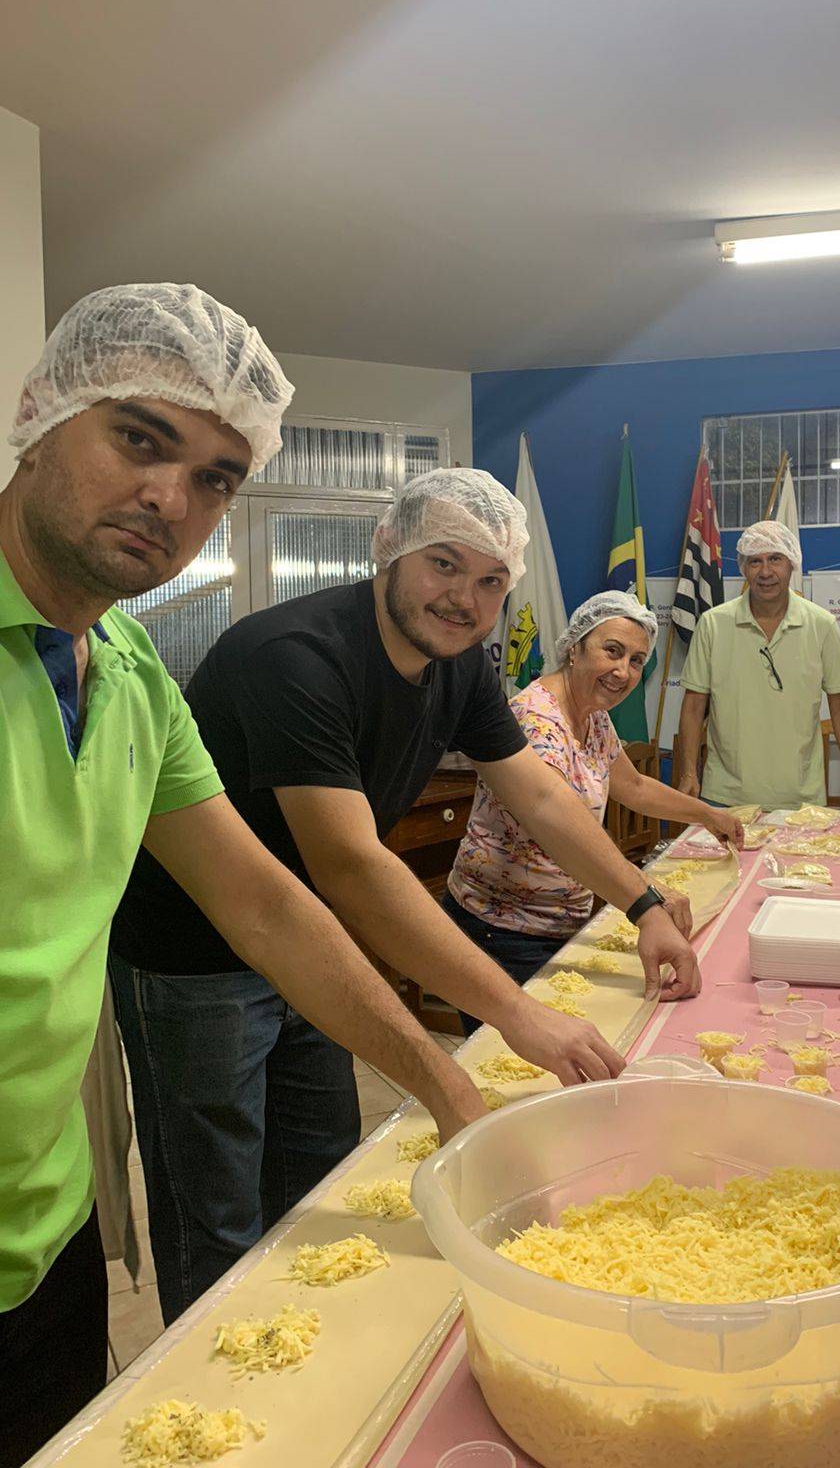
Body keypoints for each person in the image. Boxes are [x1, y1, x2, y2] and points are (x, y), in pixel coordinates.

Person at [0, 286, 496, 1466]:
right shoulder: (283, 659)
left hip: (44, 1223)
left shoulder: (127, 673)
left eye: (217, 476)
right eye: (139, 438)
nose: (172, 498)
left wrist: (448, 1086)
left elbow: (269, 902)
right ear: (36, 413)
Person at [111, 476, 699, 1324]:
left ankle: (307, 1348)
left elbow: (539, 797)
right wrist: (515, 1016)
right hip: (195, 962)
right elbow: (351, 865)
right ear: (388, 546)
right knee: (219, 1213)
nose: (464, 598)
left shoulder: (456, 667)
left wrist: (643, 904)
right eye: (444, 565)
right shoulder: (298, 657)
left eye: (491, 580)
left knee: (319, 1174)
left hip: (313, 946)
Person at [444, 591, 744, 1028]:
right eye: (613, 651)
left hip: (558, 923)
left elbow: (634, 787)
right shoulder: (538, 722)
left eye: (637, 660)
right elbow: (560, 832)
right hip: (500, 931)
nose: (623, 671)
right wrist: (648, 898)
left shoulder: (593, 714)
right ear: (574, 647)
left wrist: (708, 815)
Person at [675, 519, 840, 812]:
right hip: (725, 797)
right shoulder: (713, 624)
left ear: (792, 564)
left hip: (800, 799)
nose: (765, 572)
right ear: (743, 568)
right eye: (755, 561)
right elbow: (693, 705)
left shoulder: (821, 624)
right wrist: (689, 773)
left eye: (775, 559)